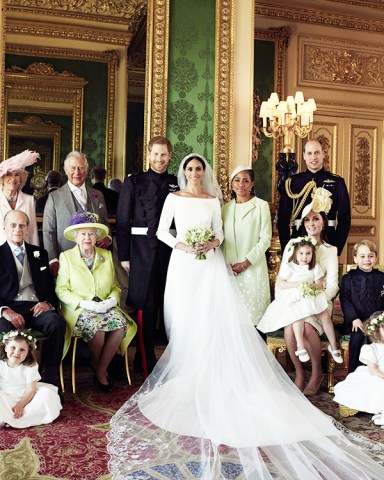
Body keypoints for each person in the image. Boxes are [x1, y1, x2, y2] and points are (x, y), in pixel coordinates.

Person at [107, 154, 384, 479]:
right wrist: (185, 246)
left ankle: (210, 372)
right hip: (183, 266)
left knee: (209, 318)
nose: (194, 173)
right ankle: (185, 370)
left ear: (204, 172)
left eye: (198, 168)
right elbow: (163, 232)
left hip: (209, 263)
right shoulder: (173, 197)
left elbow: (221, 233)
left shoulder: (213, 200)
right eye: (190, 169)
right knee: (182, 318)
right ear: (183, 172)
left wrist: (209, 243)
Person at [55, 211, 137, 392]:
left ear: (97, 236)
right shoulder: (66, 257)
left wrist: (111, 301)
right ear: (76, 237)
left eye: (91, 233)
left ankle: (99, 369)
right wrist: (85, 304)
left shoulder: (105, 256)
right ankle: (101, 372)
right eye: (83, 234)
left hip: (105, 305)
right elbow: (61, 290)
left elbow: (116, 286)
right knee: (97, 328)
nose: (87, 238)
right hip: (79, 308)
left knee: (120, 325)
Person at [116, 136, 178, 374]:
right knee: (146, 305)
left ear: (170, 155)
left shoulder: (176, 182)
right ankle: (145, 361)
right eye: (155, 154)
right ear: (148, 154)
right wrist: (124, 256)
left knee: (170, 305)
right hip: (141, 251)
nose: (159, 159)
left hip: (170, 251)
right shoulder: (134, 182)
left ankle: (171, 360)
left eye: (163, 155)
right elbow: (123, 220)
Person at [283, 187, 340, 394]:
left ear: (323, 222)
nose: (311, 224)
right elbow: (284, 278)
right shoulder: (293, 245)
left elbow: (332, 284)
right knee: (291, 327)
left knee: (307, 328)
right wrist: (293, 298)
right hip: (296, 300)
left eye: (315, 219)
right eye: (306, 220)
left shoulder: (330, 250)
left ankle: (316, 373)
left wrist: (316, 301)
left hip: (319, 304)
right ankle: (299, 372)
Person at [0, 210, 65, 387]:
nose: (17, 229)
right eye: (13, 225)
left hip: (36, 309)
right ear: (4, 228)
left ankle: (50, 378)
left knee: (56, 322)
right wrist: (4, 310)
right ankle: (8, 380)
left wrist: (47, 303)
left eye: (22, 225)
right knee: (2, 326)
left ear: (28, 229)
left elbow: (51, 288)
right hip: (10, 308)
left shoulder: (40, 253)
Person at [258, 237, 343, 365]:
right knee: (297, 315)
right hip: (294, 296)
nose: (304, 257)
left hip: (310, 296)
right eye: (301, 253)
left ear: (312, 254)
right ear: (295, 254)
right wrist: (297, 284)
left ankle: (333, 346)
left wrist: (310, 287)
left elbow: (320, 284)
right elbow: (280, 283)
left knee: (325, 316)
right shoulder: (290, 266)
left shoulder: (314, 267)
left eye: (308, 253)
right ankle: (300, 347)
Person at [278, 139, 351, 256]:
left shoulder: (337, 182)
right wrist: (288, 247)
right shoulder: (292, 182)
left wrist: (336, 247)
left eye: (317, 153)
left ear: (323, 154)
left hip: (328, 240)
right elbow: (283, 219)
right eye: (309, 153)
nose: (313, 157)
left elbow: (344, 219)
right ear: (304, 156)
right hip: (298, 241)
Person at [43, 151, 110, 277]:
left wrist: (108, 238)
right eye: (73, 168)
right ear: (66, 170)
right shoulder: (54, 197)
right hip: (66, 262)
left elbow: (105, 223)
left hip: (96, 262)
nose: (77, 172)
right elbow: (48, 231)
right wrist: (53, 260)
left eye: (81, 168)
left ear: (87, 170)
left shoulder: (98, 195)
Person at [222, 165, 271, 330]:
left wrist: (245, 263)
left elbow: (265, 239)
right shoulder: (225, 208)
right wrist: (227, 266)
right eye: (237, 180)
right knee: (232, 320)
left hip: (253, 268)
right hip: (230, 269)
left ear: (252, 184)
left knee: (253, 320)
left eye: (245, 181)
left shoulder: (261, 206)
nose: (240, 184)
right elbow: (220, 239)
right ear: (232, 183)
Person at [0, 330, 62, 428]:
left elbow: (31, 389)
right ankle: (8, 417)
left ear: (28, 352)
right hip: (6, 397)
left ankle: (17, 418)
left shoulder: (30, 366)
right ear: (6, 347)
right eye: (13, 347)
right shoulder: (1, 365)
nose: (17, 352)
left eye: (22, 350)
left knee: (47, 394)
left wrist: (20, 404)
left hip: (27, 398)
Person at [339, 239, 384, 373]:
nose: (367, 260)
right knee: (358, 336)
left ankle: (378, 372)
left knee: (379, 337)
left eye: (371, 256)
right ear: (355, 259)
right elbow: (345, 299)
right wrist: (353, 318)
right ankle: (354, 373)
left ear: (375, 258)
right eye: (362, 256)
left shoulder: (381, 277)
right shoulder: (348, 278)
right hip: (357, 320)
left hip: (379, 319)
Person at [333, 311, 384, 427]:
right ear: (376, 331)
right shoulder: (370, 348)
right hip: (377, 375)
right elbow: (374, 370)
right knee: (380, 386)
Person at [0, 150, 40, 246]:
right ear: (2, 178)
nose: (13, 179)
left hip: (23, 251)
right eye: (9, 174)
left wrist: (35, 254)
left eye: (17, 175)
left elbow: (32, 231)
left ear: (21, 178)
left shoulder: (29, 200)